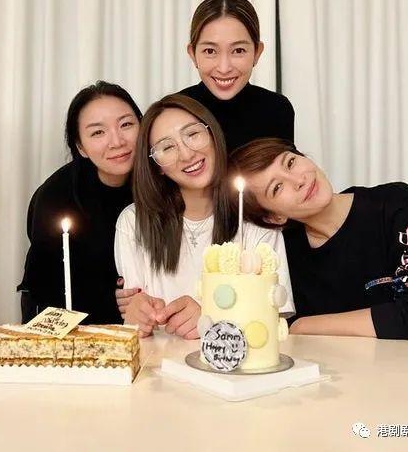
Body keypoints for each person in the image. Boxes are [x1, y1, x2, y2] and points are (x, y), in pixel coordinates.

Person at [229, 138, 408, 340]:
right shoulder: (283, 254)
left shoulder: (395, 204)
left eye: (290, 162)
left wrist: (303, 325)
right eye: (277, 187)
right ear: (274, 217)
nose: (298, 180)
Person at [114, 95, 293, 338]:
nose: (187, 154)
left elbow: (276, 322)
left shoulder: (254, 216)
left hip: (235, 363)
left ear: (213, 134)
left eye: (193, 134)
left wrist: (211, 317)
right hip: (159, 360)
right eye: (167, 147)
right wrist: (137, 316)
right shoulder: (133, 222)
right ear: (157, 166)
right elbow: (137, 315)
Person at [17, 81, 142, 324]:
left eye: (126, 124)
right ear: (80, 147)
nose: (117, 141)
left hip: (148, 323)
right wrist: (113, 297)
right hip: (72, 322)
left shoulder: (164, 180)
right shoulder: (56, 197)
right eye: (98, 132)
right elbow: (47, 288)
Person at [180, 0, 295, 152]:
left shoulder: (277, 109)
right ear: (193, 54)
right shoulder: (174, 112)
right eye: (210, 51)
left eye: (238, 50)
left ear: (257, 53)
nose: (224, 68)